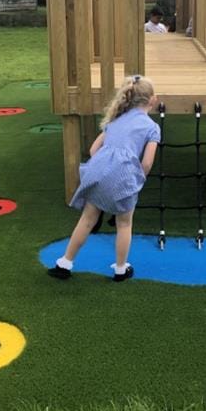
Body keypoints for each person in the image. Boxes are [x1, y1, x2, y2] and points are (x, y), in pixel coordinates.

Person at [48, 75, 160, 282]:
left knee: (88, 219)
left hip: (97, 171)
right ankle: (120, 269)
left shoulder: (115, 119)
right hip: (125, 176)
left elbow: (93, 149)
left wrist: (106, 168)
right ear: (152, 100)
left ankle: (64, 263)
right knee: (124, 223)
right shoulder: (152, 127)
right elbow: (147, 163)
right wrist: (137, 180)